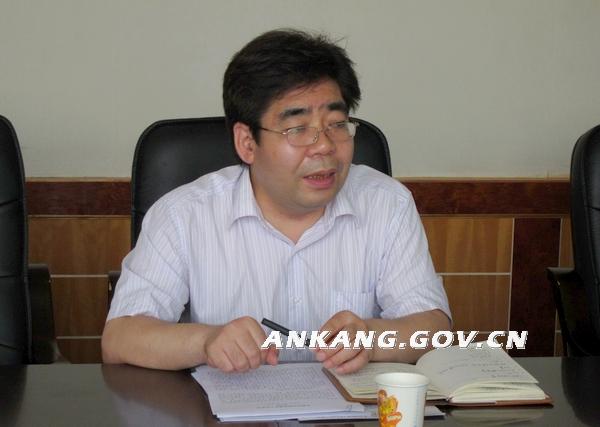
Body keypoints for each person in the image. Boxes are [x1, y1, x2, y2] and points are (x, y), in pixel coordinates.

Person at [102, 29, 451, 374]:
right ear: (247, 143)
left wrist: (372, 339)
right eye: (297, 129)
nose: (325, 146)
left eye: (337, 124)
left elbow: (434, 330)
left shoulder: (387, 203)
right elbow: (119, 339)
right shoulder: (183, 215)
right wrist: (206, 342)